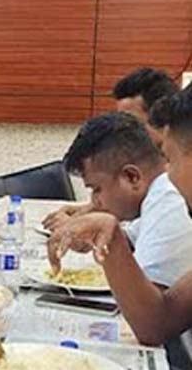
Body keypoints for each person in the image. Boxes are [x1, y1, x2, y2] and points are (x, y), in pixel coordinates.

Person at [48, 87, 192, 345]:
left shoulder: (167, 197)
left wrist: (110, 235)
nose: (167, 175)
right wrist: (107, 235)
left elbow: (152, 325)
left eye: (170, 160)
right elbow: (161, 321)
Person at [46, 112, 192, 288]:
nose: (95, 201)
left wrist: (107, 227)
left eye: (96, 189)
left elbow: (148, 302)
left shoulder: (167, 199)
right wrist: (91, 234)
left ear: (132, 177)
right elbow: (129, 241)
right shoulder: (156, 194)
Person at [43, 68, 179, 231]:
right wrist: (93, 209)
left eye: (130, 121)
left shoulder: (178, 178)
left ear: (163, 119)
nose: (123, 130)